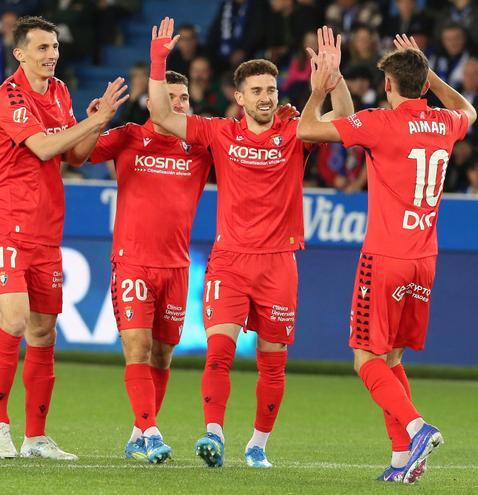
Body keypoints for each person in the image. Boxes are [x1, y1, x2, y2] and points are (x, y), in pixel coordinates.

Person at [147, 19, 354, 468]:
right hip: (229, 261)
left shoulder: (296, 130)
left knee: (272, 363)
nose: (266, 97)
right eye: (257, 91)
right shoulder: (220, 132)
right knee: (219, 350)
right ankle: (213, 435)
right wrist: (159, 61)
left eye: (271, 89)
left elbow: (348, 122)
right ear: (238, 98)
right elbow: (162, 115)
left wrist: (333, 81)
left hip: (279, 263)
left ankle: (257, 445)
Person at [296, 34, 476, 483]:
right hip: (425, 260)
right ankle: (402, 458)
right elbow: (469, 110)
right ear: (423, 83)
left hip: (385, 257)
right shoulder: (445, 123)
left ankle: (416, 428)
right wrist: (427, 73)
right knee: (392, 358)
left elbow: (306, 131)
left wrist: (321, 87)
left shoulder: (381, 122)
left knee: (365, 357)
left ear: (391, 86)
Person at [0, 15, 128, 460]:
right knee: (17, 320)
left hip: (46, 229)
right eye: (42, 48)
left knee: (44, 332)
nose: (52, 56)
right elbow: (44, 146)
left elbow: (77, 155)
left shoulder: (61, 91)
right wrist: (92, 120)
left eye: (55, 48)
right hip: (5, 221)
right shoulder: (8, 96)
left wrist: (98, 122)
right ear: (20, 53)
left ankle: (36, 438)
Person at [84, 71, 213, 464]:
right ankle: (153, 432)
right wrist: (96, 121)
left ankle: (138, 434)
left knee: (162, 355)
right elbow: (80, 154)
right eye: (169, 96)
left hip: (176, 266)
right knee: (137, 347)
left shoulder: (201, 145)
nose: (177, 104)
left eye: (184, 98)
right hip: (133, 262)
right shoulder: (128, 137)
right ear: (152, 101)